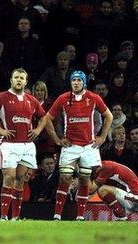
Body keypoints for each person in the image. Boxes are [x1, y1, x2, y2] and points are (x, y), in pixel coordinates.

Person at [43, 70, 113, 220]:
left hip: (89, 146)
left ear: (84, 82)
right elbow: (47, 118)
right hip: (70, 146)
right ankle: (57, 215)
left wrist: (102, 137)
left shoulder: (94, 98)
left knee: (84, 180)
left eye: (78, 80)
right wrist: (56, 139)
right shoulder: (63, 98)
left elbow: (109, 116)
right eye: (73, 80)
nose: (76, 82)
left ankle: (80, 217)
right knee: (65, 178)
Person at [0, 68, 46, 220]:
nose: (19, 80)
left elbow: (43, 117)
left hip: (26, 145)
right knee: (9, 177)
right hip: (8, 144)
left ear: (26, 81)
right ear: (11, 80)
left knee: (20, 180)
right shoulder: (2, 97)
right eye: (16, 77)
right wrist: (0, 130)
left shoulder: (31, 100)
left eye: (21, 78)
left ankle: (15, 217)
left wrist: (38, 129)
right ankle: (4, 216)